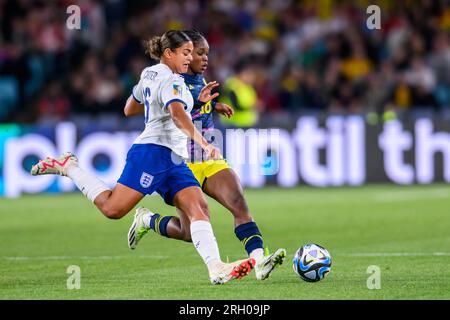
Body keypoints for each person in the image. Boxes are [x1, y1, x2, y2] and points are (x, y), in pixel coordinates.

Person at [30, 30, 255, 285]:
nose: (190, 58)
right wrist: (204, 143)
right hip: (153, 153)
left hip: (175, 158)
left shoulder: (149, 73)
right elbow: (177, 116)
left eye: (192, 52)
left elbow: (129, 108)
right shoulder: (172, 81)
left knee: (199, 210)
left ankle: (216, 268)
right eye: (186, 53)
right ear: (169, 53)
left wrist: (178, 104)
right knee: (113, 209)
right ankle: (69, 167)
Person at [126, 29, 286, 281]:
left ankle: (258, 260)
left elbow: (195, 104)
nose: (204, 58)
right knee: (188, 232)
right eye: (199, 53)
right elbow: (154, 109)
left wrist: (214, 105)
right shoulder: (168, 78)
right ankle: (148, 220)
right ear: (182, 55)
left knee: (238, 201)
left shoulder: (198, 78)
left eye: (205, 53)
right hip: (180, 162)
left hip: (208, 158)